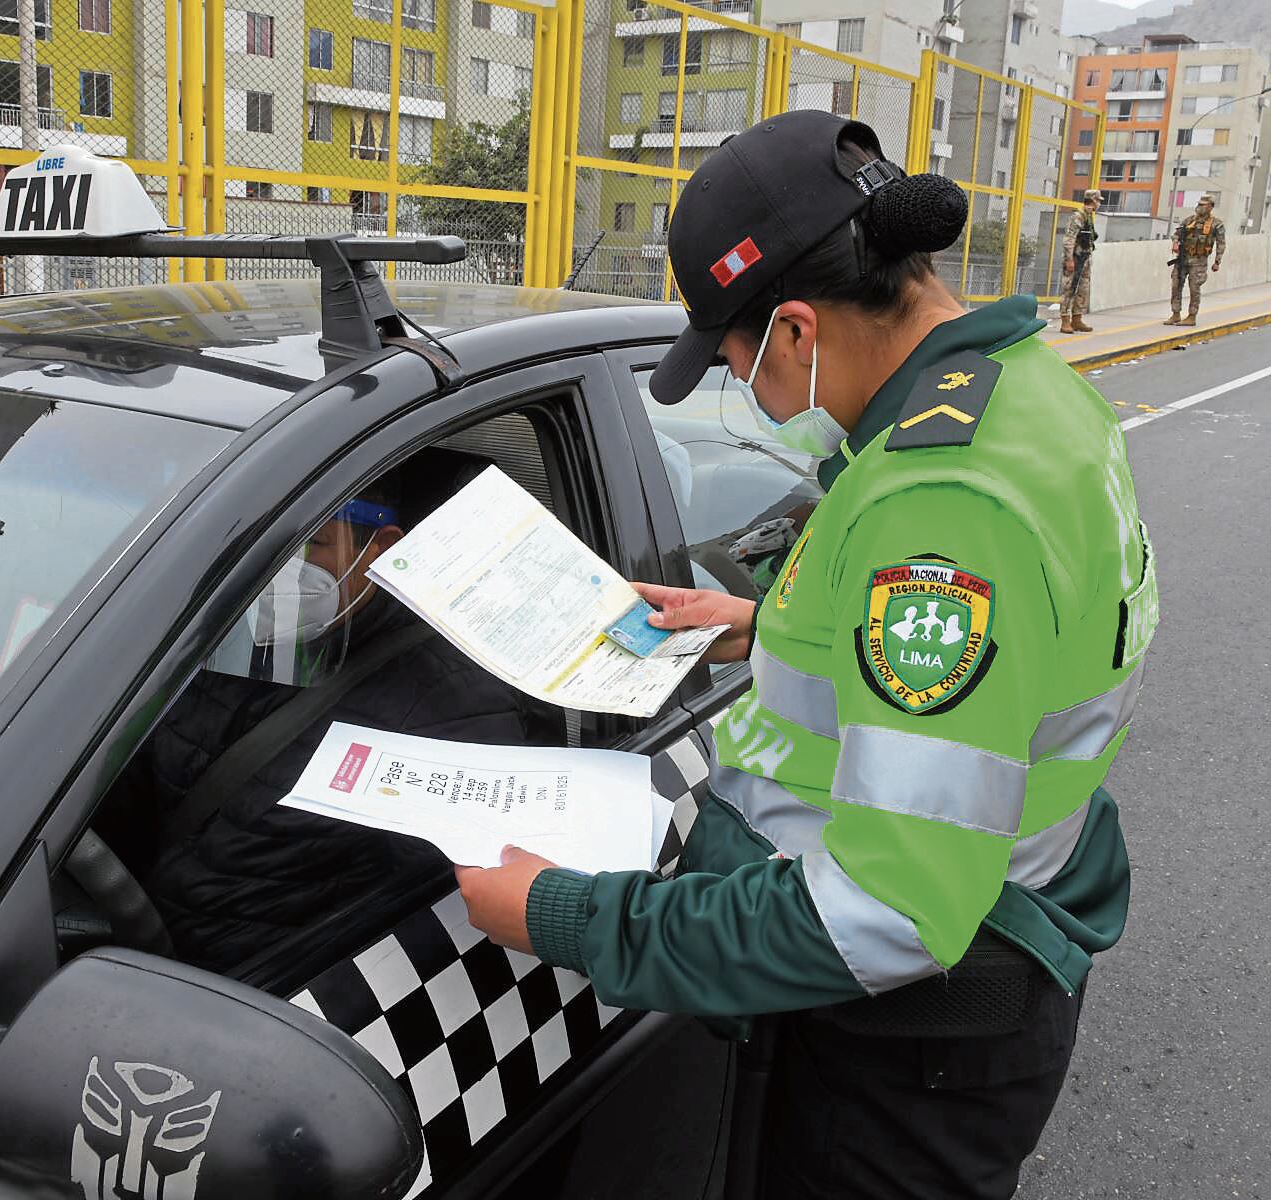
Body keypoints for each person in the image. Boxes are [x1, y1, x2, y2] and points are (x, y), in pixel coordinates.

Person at [456, 111, 1153, 1200]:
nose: (741, 384)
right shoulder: (1028, 394)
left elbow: (888, 911)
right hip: (989, 949)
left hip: (914, 1037)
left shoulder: (941, 504)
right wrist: (758, 622)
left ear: (792, 329)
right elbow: (1015, 644)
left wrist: (564, 914)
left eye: (730, 359)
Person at [125, 461, 538, 973]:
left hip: (266, 995)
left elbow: (442, 915)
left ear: (379, 550)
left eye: (311, 547)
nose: (277, 572)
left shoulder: (452, 705)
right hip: (127, 940)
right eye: (259, 547)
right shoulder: (212, 636)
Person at [1167, 193, 1226, 327]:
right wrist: (1175, 243)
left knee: (1194, 288)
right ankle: (1175, 314)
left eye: (1203, 205)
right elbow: (1176, 234)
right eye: (1199, 204)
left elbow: (1221, 243)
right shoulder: (1189, 221)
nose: (1199, 207)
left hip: (1199, 261)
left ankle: (1192, 316)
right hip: (1183, 259)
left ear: (1210, 207)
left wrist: (1217, 262)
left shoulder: (1216, 224)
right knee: (1176, 285)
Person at [1060, 188, 1100, 334]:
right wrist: (1069, 259)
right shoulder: (1078, 216)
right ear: (1093, 200)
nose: (1099, 204)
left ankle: (1077, 319)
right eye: (1098, 201)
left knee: (1083, 288)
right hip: (1075, 258)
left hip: (1085, 258)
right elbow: (1069, 239)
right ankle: (1065, 320)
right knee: (1069, 288)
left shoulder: (1088, 216)